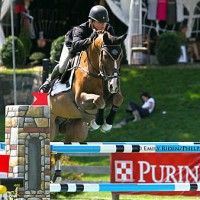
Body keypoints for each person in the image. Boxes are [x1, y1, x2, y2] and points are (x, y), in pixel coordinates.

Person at [39, 5, 115, 93]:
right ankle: (49, 81)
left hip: (93, 53)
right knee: (62, 66)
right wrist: (89, 40)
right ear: (92, 21)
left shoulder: (109, 29)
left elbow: (112, 46)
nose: (103, 25)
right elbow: (75, 46)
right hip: (73, 46)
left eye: (105, 22)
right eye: (100, 22)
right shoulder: (81, 29)